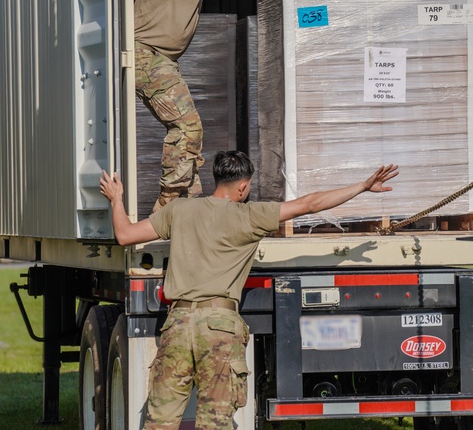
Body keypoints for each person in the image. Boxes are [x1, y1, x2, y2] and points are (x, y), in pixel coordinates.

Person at [99, 151, 398, 429]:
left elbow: (125, 235)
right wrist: (362, 186)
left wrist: (116, 198)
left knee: (159, 421)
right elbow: (310, 203)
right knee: (215, 421)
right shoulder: (249, 216)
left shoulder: (179, 210)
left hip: (177, 324)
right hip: (219, 327)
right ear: (242, 187)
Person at [134, 0, 307, 212]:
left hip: (160, 59)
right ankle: (168, 206)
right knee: (187, 127)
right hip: (147, 56)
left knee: (190, 129)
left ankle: (187, 204)